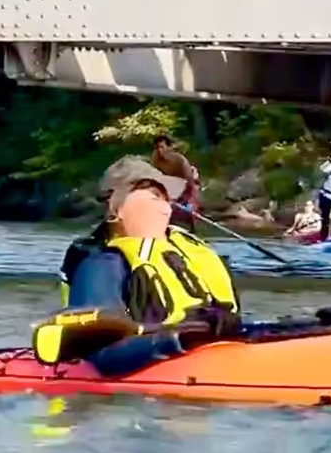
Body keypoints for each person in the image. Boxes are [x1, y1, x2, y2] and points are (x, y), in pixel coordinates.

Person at [47, 156, 241, 377]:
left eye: (167, 198)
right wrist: (179, 337)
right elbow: (102, 356)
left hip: (212, 353)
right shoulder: (102, 264)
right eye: (155, 196)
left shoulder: (191, 253)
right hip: (154, 364)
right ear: (116, 210)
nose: (166, 206)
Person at [151, 134, 202, 228]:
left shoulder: (180, 160)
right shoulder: (156, 159)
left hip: (187, 188)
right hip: (168, 189)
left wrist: (183, 197)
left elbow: (190, 181)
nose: (159, 150)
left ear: (169, 147)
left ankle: (193, 229)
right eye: (157, 148)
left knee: (190, 211)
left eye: (162, 147)